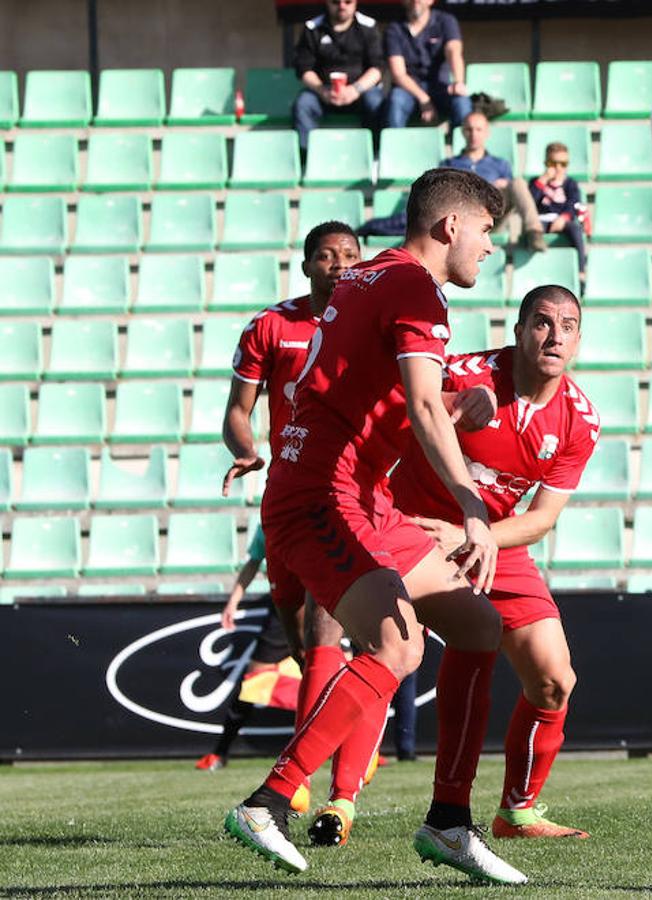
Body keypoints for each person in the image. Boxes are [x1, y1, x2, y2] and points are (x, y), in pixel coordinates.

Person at [222, 168, 528, 886]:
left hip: (358, 493)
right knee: (398, 645)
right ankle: (267, 801)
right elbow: (418, 409)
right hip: (320, 495)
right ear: (449, 227)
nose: (489, 247)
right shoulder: (416, 289)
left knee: (479, 626)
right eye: (485, 231)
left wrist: (457, 402)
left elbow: (376, 390)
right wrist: (474, 510)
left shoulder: (370, 277)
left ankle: (449, 823)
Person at [389, 284, 598, 840]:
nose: (554, 336)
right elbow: (389, 415)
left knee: (555, 681)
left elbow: (541, 518)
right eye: (542, 322)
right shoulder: (464, 373)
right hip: (409, 529)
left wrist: (473, 534)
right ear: (520, 329)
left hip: (490, 543)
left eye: (568, 326)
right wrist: (453, 408)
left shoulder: (580, 420)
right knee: (383, 656)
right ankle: (323, 794)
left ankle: (517, 812)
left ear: (578, 339)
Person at [224, 221, 383, 833]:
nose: (340, 265)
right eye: (327, 256)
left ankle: (317, 792)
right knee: (301, 640)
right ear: (307, 264)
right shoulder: (271, 326)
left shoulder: (371, 327)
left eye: (350, 256)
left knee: (325, 627)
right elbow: (237, 411)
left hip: (341, 492)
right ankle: (337, 733)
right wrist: (244, 448)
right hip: (282, 492)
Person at [195, 526, 300, 773]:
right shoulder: (268, 522)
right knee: (253, 682)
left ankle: (364, 753)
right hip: (283, 610)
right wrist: (232, 602)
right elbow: (254, 562)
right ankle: (220, 752)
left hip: (321, 604)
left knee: (340, 677)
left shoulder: (315, 509)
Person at [291, 0, 385, 154]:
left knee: (375, 102)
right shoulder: (313, 28)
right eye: (336, 1)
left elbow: (378, 68)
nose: (342, 6)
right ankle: (306, 159)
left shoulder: (368, 27)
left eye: (347, 1)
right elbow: (303, 69)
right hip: (324, 94)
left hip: (360, 93)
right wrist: (323, 91)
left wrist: (355, 90)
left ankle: (374, 154)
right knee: (303, 104)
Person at [444, 112, 547, 252]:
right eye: (469, 129)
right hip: (464, 219)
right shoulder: (449, 164)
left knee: (517, 183)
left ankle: (534, 232)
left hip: (492, 218)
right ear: (463, 132)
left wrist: (501, 187)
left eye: (478, 129)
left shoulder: (500, 164)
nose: (474, 134)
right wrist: (489, 187)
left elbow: (511, 196)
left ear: (487, 132)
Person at [383, 0, 472, 130]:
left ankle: (461, 148)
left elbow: (454, 52)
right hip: (408, 90)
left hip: (440, 87)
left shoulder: (446, 21)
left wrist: (458, 82)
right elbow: (399, 74)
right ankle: (395, 148)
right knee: (395, 101)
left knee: (462, 101)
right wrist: (424, 99)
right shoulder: (394, 29)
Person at [529, 143, 587, 275]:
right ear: (546, 163)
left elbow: (574, 203)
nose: (558, 168)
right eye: (553, 163)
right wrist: (543, 180)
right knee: (533, 230)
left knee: (576, 229)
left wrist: (564, 217)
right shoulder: (536, 182)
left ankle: (581, 269)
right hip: (541, 220)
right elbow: (530, 202)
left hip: (561, 220)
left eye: (563, 164)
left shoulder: (570, 183)